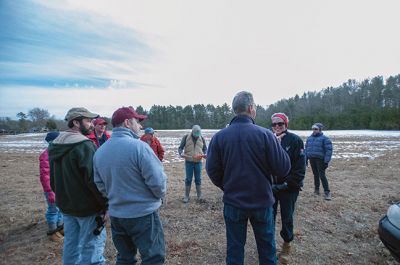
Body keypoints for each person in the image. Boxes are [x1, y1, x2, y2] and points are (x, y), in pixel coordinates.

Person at [206, 91, 291, 265]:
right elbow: (283, 169)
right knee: (267, 250)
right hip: (262, 202)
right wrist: (278, 146)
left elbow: (212, 171)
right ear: (251, 108)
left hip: (233, 202)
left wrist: (227, 185)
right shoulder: (266, 135)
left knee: (235, 251)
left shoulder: (219, 137)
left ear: (235, 110)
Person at [94, 107, 167, 265]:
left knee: (125, 258)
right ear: (127, 123)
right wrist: (157, 198)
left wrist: (115, 199)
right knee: (153, 258)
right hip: (144, 215)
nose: (140, 126)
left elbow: (100, 185)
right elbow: (158, 183)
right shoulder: (140, 148)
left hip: (117, 216)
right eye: (137, 122)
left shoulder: (100, 152)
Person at [48, 107, 108, 265]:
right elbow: (94, 180)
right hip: (87, 208)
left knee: (71, 246)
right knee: (92, 250)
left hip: (66, 206)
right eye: (88, 121)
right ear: (75, 122)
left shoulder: (54, 144)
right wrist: (106, 204)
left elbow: (53, 180)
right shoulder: (84, 145)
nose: (91, 124)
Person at [270, 113, 306, 263]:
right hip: (271, 187)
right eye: (274, 124)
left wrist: (287, 185)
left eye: (281, 124)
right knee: (268, 218)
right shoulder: (268, 139)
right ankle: (269, 246)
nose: (277, 127)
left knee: (287, 217)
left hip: (288, 188)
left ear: (286, 124)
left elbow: (299, 169)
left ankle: (286, 247)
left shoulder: (295, 140)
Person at [39, 131, 63, 242]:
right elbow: (45, 175)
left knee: (61, 208)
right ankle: (52, 232)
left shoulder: (59, 153)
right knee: (53, 209)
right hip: (51, 189)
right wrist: (50, 191)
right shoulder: (46, 155)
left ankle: (60, 227)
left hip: (60, 186)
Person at [178, 125, 207, 202]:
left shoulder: (202, 138)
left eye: (198, 134)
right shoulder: (186, 137)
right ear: (192, 132)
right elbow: (180, 148)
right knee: (188, 179)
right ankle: (186, 196)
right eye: (196, 134)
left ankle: (199, 196)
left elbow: (205, 149)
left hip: (198, 162)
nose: (197, 136)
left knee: (198, 179)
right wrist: (181, 153)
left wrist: (205, 154)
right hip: (189, 162)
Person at [305, 123, 333, 200]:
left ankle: (327, 192)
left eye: (316, 129)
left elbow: (329, 150)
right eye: (313, 129)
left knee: (322, 175)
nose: (314, 130)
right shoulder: (309, 138)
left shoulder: (325, 139)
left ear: (320, 129)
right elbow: (306, 149)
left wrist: (326, 161)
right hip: (312, 159)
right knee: (315, 175)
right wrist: (306, 159)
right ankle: (316, 190)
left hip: (320, 160)